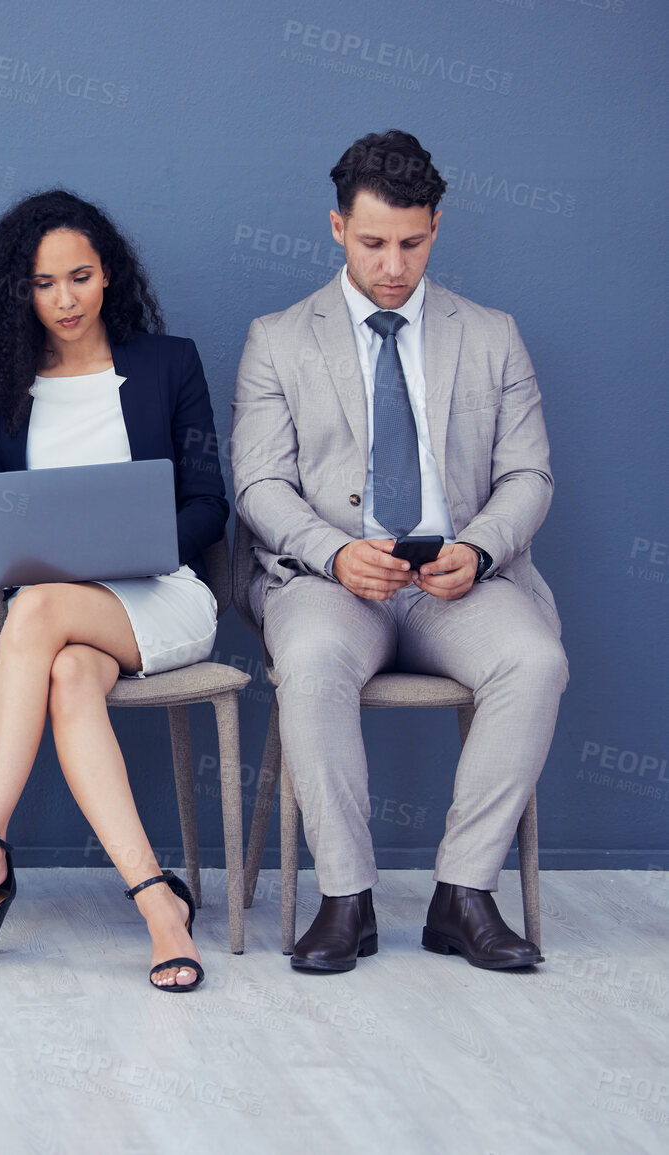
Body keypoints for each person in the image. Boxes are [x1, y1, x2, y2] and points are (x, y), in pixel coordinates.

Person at [231, 130, 567, 973]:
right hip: (330, 579)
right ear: (337, 226)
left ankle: (463, 893)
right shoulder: (276, 338)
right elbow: (258, 486)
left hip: (456, 579)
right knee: (306, 659)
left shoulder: (490, 335)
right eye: (373, 242)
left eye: (411, 243)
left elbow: (529, 474)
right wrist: (333, 554)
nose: (392, 265)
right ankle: (345, 900)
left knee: (534, 661)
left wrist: (482, 550)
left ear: (435, 227)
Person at [0, 190, 228, 992]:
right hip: (57, 618)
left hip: (162, 596)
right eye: (44, 284)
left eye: (79, 278)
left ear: (107, 274)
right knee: (67, 670)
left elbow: (206, 504)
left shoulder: (168, 362)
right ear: (20, 292)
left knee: (39, 609)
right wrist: (59, 556)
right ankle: (159, 907)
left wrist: (137, 543)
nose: (64, 300)